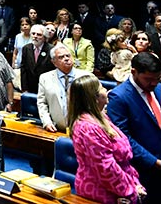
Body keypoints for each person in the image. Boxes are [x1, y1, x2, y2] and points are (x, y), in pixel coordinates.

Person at [69, 74, 146, 203]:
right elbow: (106, 168)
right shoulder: (88, 127)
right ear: (95, 97)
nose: (106, 90)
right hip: (102, 192)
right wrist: (130, 190)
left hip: (119, 185)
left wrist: (133, 182)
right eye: (102, 88)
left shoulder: (100, 117)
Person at [106, 52, 161, 200]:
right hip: (144, 169)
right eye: (149, 79)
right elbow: (123, 138)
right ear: (134, 72)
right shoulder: (119, 97)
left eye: (157, 78)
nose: (154, 83)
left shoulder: (159, 88)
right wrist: (154, 162)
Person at [38, 44, 91, 132]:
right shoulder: (45, 78)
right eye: (61, 57)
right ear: (54, 62)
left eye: (68, 55)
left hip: (84, 130)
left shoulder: (87, 76)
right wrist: (47, 122)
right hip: (56, 129)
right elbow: (42, 103)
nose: (66, 58)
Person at [20, 24, 54, 94]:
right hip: (30, 88)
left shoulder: (52, 49)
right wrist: (24, 88)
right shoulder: (26, 48)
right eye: (33, 34)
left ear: (45, 37)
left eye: (39, 34)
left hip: (46, 88)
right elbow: (23, 69)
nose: (35, 36)